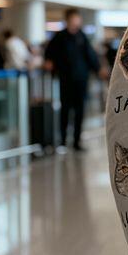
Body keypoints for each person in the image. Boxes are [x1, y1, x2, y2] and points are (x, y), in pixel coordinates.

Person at [44, 8, 99, 151]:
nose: (77, 21)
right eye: (74, 18)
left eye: (78, 19)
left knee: (80, 111)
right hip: (65, 79)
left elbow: (90, 56)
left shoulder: (82, 36)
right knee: (65, 110)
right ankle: (62, 141)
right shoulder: (60, 37)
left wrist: (98, 69)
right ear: (68, 20)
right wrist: (49, 63)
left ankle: (76, 141)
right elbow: (49, 54)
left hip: (81, 80)